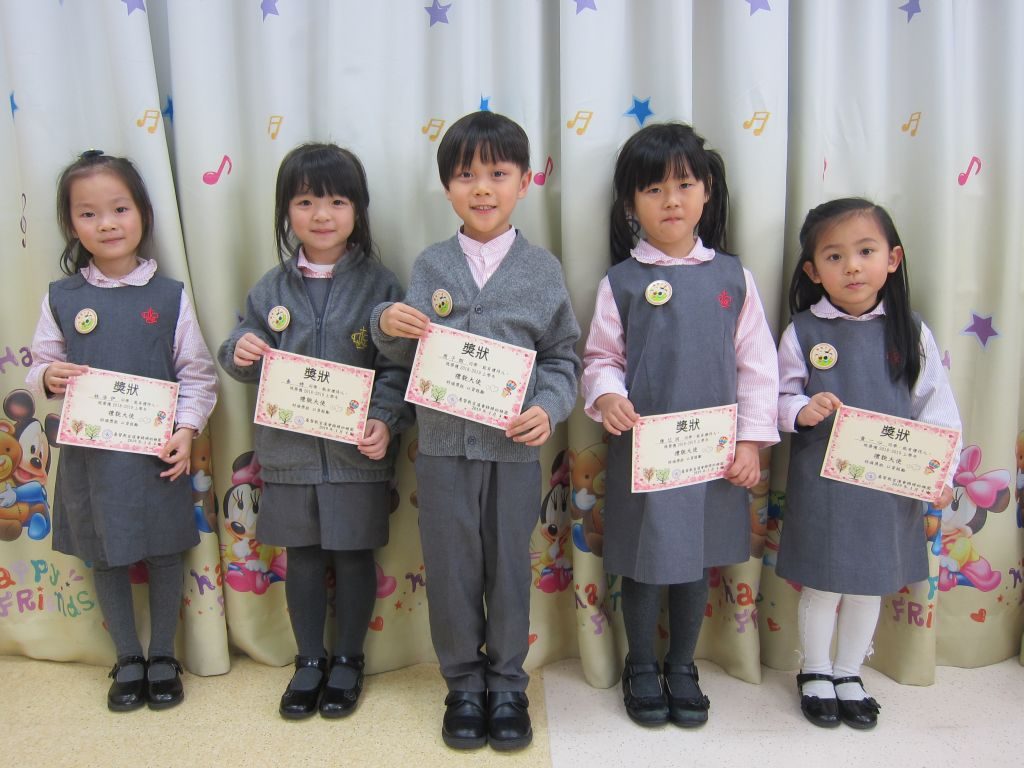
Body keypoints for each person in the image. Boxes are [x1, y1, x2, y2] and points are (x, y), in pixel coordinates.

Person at [371, 111, 581, 751]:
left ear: (525, 181)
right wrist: (387, 323)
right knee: (452, 568)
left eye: (498, 173)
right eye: (466, 175)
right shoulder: (431, 265)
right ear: (446, 188)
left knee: (510, 569)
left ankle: (508, 684)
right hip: (441, 452)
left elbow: (563, 359)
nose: (482, 187)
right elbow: (403, 355)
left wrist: (549, 406)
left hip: (513, 454)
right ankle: (463, 684)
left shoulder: (542, 270)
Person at [581, 122, 779, 728]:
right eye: (653, 189)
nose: (671, 200)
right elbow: (601, 358)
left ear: (707, 191)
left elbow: (757, 366)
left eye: (685, 184)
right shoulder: (622, 282)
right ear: (630, 203)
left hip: (712, 458)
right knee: (646, 560)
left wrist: (751, 443)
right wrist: (607, 396)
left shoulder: (733, 278)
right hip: (645, 454)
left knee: (697, 560)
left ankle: (683, 665)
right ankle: (641, 664)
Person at [218, 143, 413, 721]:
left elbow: (400, 369)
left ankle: (348, 660)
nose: (322, 214)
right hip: (288, 457)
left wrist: (385, 420)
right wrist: (242, 350)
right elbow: (240, 350)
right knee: (301, 558)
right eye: (305, 202)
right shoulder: (270, 289)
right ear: (286, 211)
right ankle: (308, 660)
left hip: (356, 457)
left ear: (358, 209)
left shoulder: (381, 285)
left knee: (353, 558)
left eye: (337, 201)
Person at [26, 151, 218, 711]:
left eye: (119, 208)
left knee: (163, 552)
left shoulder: (170, 295)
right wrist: (47, 377)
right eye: (88, 214)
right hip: (91, 458)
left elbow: (196, 373)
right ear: (71, 225)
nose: (106, 223)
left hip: (156, 454)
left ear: (143, 214)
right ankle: (128, 657)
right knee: (104, 553)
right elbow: (41, 364)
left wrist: (186, 430)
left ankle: (163, 655)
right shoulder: (63, 297)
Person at [776, 197, 961, 730]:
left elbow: (937, 408)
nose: (852, 267)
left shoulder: (910, 332)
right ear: (813, 271)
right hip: (824, 485)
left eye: (865, 251)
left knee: (867, 584)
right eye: (834, 256)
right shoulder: (803, 331)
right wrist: (801, 409)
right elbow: (777, 397)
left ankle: (849, 672)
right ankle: (815, 670)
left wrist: (942, 474)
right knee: (823, 584)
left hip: (887, 486)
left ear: (893, 259)